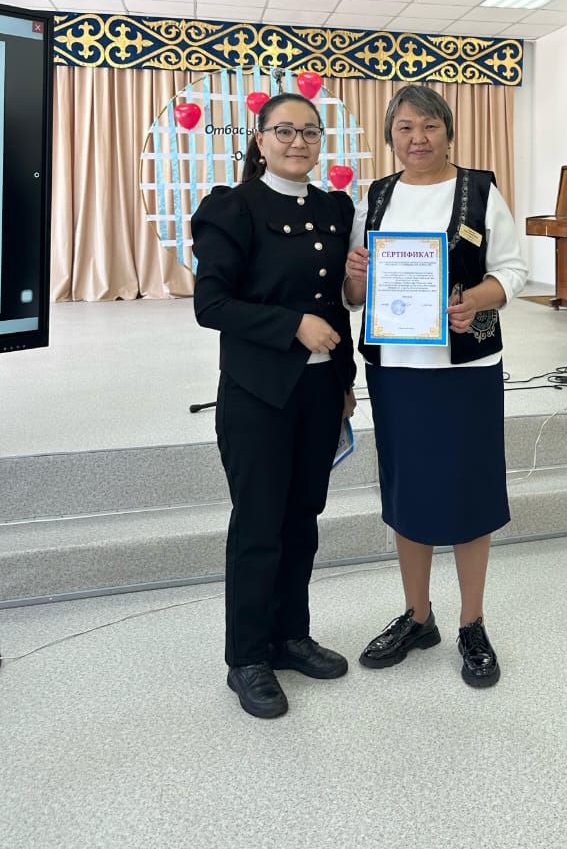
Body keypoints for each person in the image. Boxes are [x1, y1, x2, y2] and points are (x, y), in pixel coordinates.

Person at [343, 84, 527, 689]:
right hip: (396, 369)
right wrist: (356, 276)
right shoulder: (374, 197)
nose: (417, 138)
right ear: (390, 137)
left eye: (429, 126)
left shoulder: (480, 191)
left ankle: (472, 622)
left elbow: (512, 270)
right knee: (408, 491)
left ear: (449, 131)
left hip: (466, 370)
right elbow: (353, 295)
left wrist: (475, 299)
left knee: (470, 490)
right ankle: (418, 616)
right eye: (404, 128)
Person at [191, 92, 355, 719]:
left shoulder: (335, 209)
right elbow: (212, 305)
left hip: (319, 391)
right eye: (284, 130)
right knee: (259, 524)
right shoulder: (232, 208)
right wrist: (293, 327)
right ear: (260, 140)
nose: (298, 142)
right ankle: (248, 657)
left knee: (302, 519)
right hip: (258, 392)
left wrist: (343, 381)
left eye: (310, 132)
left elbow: (336, 302)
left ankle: (291, 636)